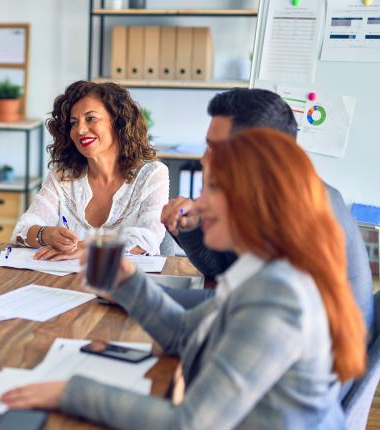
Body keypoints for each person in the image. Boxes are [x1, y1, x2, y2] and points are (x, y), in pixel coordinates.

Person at [2, 129, 367, 430]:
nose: (198, 203)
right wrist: (127, 283)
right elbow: (182, 334)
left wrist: (70, 392)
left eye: (211, 189)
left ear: (250, 200)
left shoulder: (277, 299)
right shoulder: (259, 271)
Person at [160, 88, 373, 331]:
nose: (204, 159)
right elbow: (222, 270)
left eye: (215, 148)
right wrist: (193, 229)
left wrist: (128, 290)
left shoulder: (299, 208)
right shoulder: (263, 193)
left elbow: (231, 304)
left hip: (327, 361)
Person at [12, 80, 169, 259]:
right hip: (63, 282)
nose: (80, 130)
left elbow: (149, 237)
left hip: (125, 283)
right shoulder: (63, 175)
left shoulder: (152, 174)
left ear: (117, 121)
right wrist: (46, 234)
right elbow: (22, 229)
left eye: (90, 118)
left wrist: (87, 248)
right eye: (73, 123)